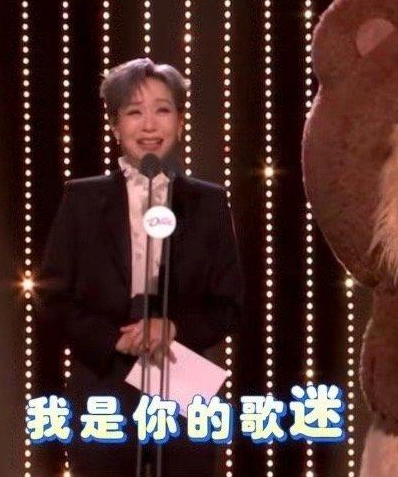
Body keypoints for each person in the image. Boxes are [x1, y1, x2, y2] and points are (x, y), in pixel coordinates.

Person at [37, 58, 243, 476]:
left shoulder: (208, 203)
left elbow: (228, 304)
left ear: (180, 122)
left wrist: (174, 327)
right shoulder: (81, 200)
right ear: (116, 126)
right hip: (103, 377)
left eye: (162, 110)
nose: (149, 125)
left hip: (182, 374)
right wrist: (113, 339)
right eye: (134, 112)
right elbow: (52, 298)